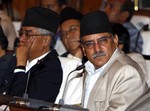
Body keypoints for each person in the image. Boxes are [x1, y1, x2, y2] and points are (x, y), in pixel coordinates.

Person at [80, 10, 148, 111]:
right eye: (89, 44)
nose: (97, 49)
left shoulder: (126, 71)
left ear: (115, 40)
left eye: (102, 40)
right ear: (83, 49)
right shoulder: (89, 68)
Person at [1, 6, 63, 103]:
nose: (21, 39)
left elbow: (21, 104)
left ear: (45, 40)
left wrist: (21, 66)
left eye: (28, 35)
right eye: (21, 33)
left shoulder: (51, 68)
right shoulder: (16, 58)